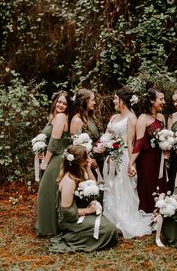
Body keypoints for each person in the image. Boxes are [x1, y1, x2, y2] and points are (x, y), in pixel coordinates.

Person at [100, 86, 152, 238]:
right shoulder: (113, 117)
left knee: (122, 187)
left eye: (116, 98)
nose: (114, 101)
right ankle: (110, 219)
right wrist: (101, 146)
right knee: (111, 187)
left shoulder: (132, 119)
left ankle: (123, 221)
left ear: (123, 101)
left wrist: (132, 164)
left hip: (122, 157)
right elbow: (107, 136)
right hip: (110, 158)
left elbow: (131, 143)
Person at [48, 144, 118, 253]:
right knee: (108, 229)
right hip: (71, 220)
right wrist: (89, 210)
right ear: (79, 161)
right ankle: (70, 237)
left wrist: (89, 169)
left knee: (110, 227)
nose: (88, 159)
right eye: (86, 157)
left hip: (80, 213)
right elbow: (66, 212)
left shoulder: (80, 171)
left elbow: (93, 185)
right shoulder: (69, 182)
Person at [36, 90, 72, 237]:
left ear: (68, 106)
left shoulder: (61, 117)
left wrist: (45, 162)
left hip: (57, 159)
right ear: (55, 101)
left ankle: (49, 228)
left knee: (46, 192)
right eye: (59, 101)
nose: (61, 105)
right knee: (50, 193)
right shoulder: (54, 117)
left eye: (65, 103)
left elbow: (55, 141)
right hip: (54, 156)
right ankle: (51, 225)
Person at [128, 88, 168, 213]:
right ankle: (149, 211)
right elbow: (139, 142)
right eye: (161, 99)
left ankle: (160, 211)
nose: (164, 102)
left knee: (160, 183)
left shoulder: (162, 117)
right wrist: (131, 163)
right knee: (148, 184)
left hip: (160, 158)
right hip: (146, 159)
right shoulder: (143, 118)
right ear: (151, 100)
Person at [70, 89, 103, 178]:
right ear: (84, 102)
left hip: (99, 158)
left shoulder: (91, 116)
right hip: (87, 163)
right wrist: (90, 160)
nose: (95, 103)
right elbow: (76, 146)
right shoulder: (77, 120)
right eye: (92, 100)